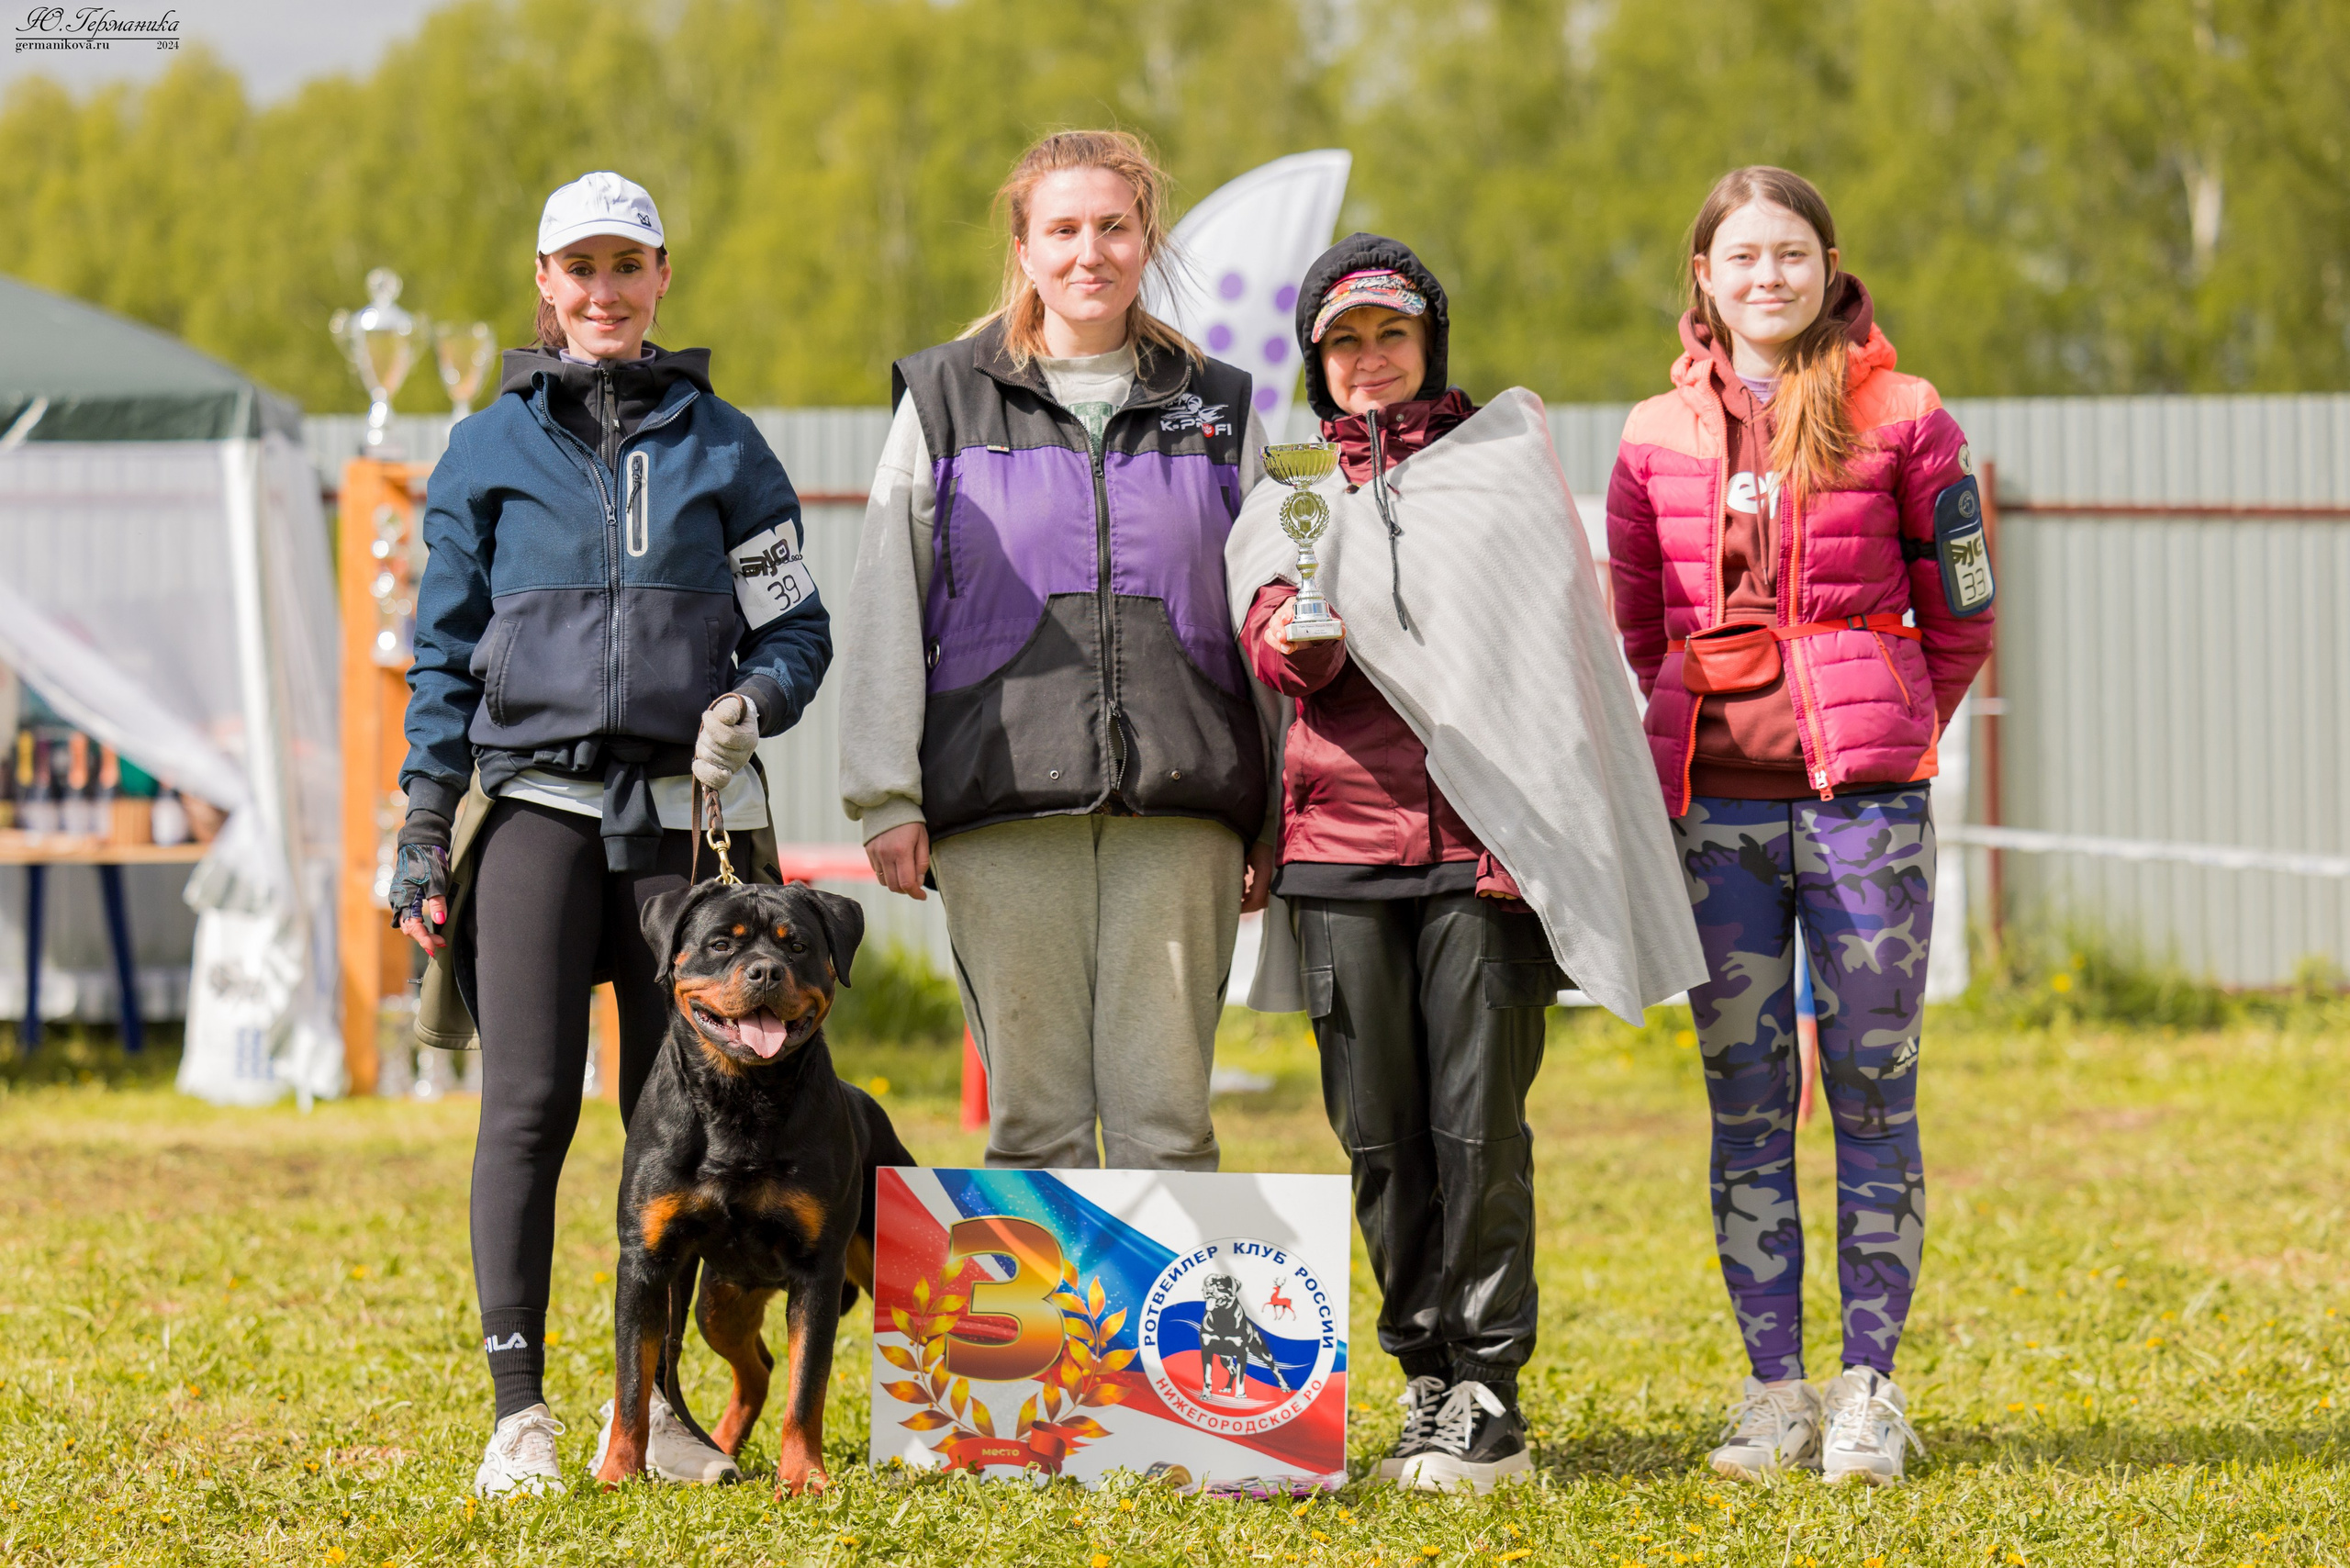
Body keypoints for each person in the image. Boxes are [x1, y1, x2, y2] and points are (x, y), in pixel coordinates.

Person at [1229, 234, 1704, 1494]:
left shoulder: (1504, 475)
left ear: (1431, 341)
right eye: (1346, 342)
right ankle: (1423, 1381)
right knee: (1381, 1138)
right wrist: (1299, 641)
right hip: (1340, 859)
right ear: (1317, 366)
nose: (1371, 360)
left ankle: (1491, 1392)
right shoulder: (1285, 501)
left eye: (1392, 335)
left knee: (1480, 1130)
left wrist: (1536, 833)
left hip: (1483, 865)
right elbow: (1266, 645)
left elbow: (1564, 678)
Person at [389, 171, 831, 1499]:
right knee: (525, 1109)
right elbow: (445, 658)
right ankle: (518, 1410)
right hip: (530, 814)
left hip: (679, 835)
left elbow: (799, 629)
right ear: (544, 282)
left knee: (685, 1137)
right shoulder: (485, 448)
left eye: (625, 267)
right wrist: (423, 825)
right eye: (578, 269)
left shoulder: (730, 447)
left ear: (661, 278)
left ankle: (662, 1411)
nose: (602, 292)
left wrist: (752, 700)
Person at [1606, 166, 1996, 1486]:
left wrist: (1889, 716)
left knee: (1877, 1096)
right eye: (1742, 258)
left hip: (1864, 819)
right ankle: (1777, 1394)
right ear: (1703, 278)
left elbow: (1966, 615)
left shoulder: (1909, 414)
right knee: (1748, 1106)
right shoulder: (1651, 430)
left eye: (1791, 255)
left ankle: (1870, 1391)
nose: (1766, 277)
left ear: (1829, 267)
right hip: (1713, 818)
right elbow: (1635, 624)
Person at [836, 129, 1270, 1171]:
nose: (1091, 252)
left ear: (1145, 238)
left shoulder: (1220, 406)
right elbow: (885, 599)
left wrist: (1277, 809)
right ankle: (1059, 1345)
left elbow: (1266, 616)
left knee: (1169, 1124)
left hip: (1184, 808)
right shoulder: (943, 398)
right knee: (1037, 1129)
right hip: (1001, 807)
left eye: (1114, 227)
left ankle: (1165, 1343)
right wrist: (886, 795)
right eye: (1063, 229)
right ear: (1024, 250)